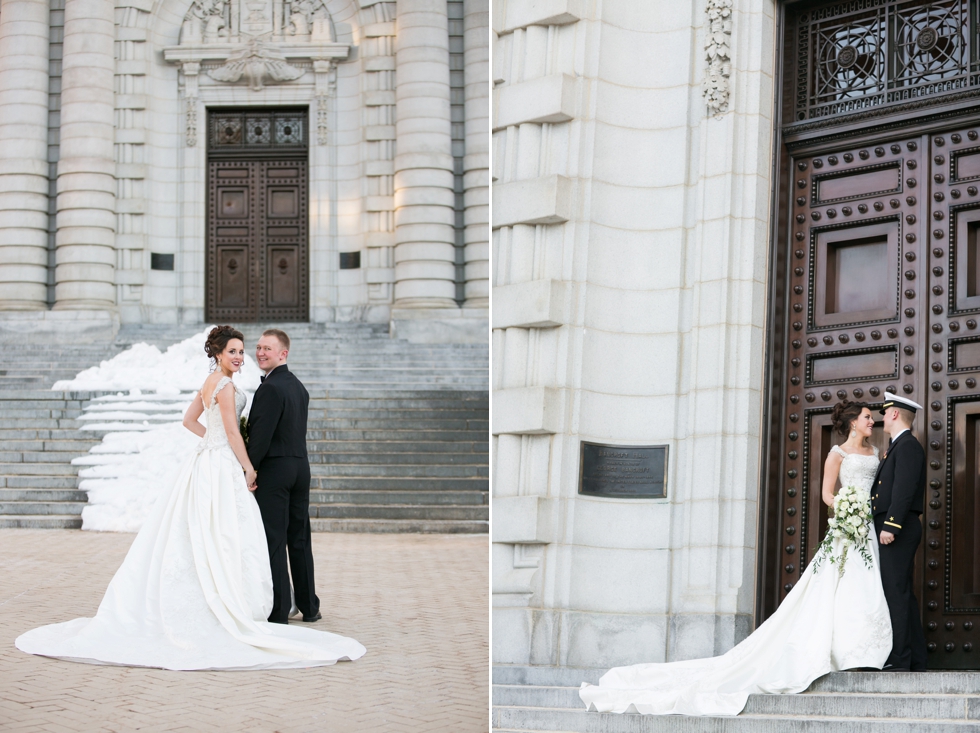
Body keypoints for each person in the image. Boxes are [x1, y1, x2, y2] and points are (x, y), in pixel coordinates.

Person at [15, 325, 365, 670]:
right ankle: (289, 604)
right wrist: (243, 462)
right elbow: (229, 430)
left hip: (214, 462)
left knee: (216, 530)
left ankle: (273, 602)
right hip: (251, 465)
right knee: (241, 533)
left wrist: (219, 447)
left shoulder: (212, 382)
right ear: (217, 353)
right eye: (235, 351)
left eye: (244, 351)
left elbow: (191, 421)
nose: (243, 356)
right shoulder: (242, 386)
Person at [578, 399, 891, 716]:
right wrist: (846, 507)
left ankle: (859, 651)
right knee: (837, 585)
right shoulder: (837, 454)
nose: (872, 422)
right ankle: (836, 652)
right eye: (867, 417)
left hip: (866, 528)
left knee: (861, 586)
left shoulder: (875, 453)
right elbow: (826, 493)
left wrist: (865, 512)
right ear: (853, 422)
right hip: (847, 525)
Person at [246, 328, 320, 624]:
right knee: (300, 539)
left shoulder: (270, 388)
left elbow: (260, 438)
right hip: (300, 467)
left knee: (275, 540)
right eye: (259, 347)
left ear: (283, 353)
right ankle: (309, 606)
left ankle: (279, 610)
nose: (261, 352)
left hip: (276, 471)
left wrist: (249, 469)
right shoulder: (298, 386)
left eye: (268, 348)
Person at [873, 392, 928, 671]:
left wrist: (890, 525)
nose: (882, 417)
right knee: (901, 591)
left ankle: (898, 659)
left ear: (894, 413)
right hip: (894, 527)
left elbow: (903, 490)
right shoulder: (897, 445)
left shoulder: (907, 446)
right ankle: (916, 657)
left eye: (885, 412)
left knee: (895, 592)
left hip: (898, 527)